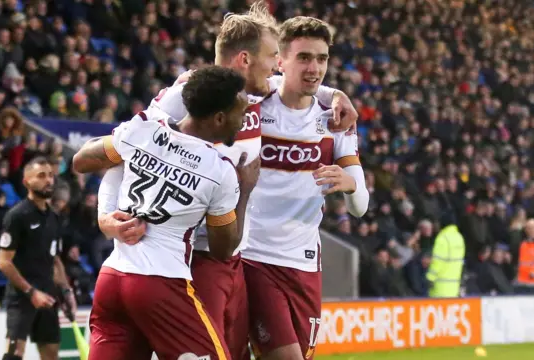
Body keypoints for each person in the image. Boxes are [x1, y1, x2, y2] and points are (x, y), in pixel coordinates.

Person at [72, 3, 358, 360]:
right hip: (193, 257)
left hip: (232, 258)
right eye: (272, 57)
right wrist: (105, 216)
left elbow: (298, 81)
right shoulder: (187, 94)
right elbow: (124, 153)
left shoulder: (253, 96)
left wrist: (334, 95)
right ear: (244, 59)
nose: (276, 68)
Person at [75, 66, 260, 360]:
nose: (244, 121)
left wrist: (106, 216)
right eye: (241, 113)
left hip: (112, 279)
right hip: (160, 283)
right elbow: (224, 249)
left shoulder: (145, 126)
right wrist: (245, 190)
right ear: (220, 118)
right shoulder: (219, 170)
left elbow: (82, 160)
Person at [242, 17, 369, 360]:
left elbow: (360, 207)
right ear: (280, 61)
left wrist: (350, 183)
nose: (314, 68)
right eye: (304, 58)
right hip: (253, 255)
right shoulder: (253, 102)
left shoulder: (336, 118)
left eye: (322, 58)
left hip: (304, 265)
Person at [0, 156, 76, 360]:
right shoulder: (17, 216)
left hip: (48, 296)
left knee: (51, 355)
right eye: (41, 176)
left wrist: (67, 291)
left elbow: (55, 259)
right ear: (27, 182)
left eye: (51, 175)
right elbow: (4, 262)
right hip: (22, 297)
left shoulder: (54, 217)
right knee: (14, 354)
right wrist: (31, 292)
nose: (49, 180)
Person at [426, 212, 465, 298]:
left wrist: (430, 278)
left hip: (440, 287)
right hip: (454, 287)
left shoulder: (443, 238)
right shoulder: (459, 238)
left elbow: (438, 261)